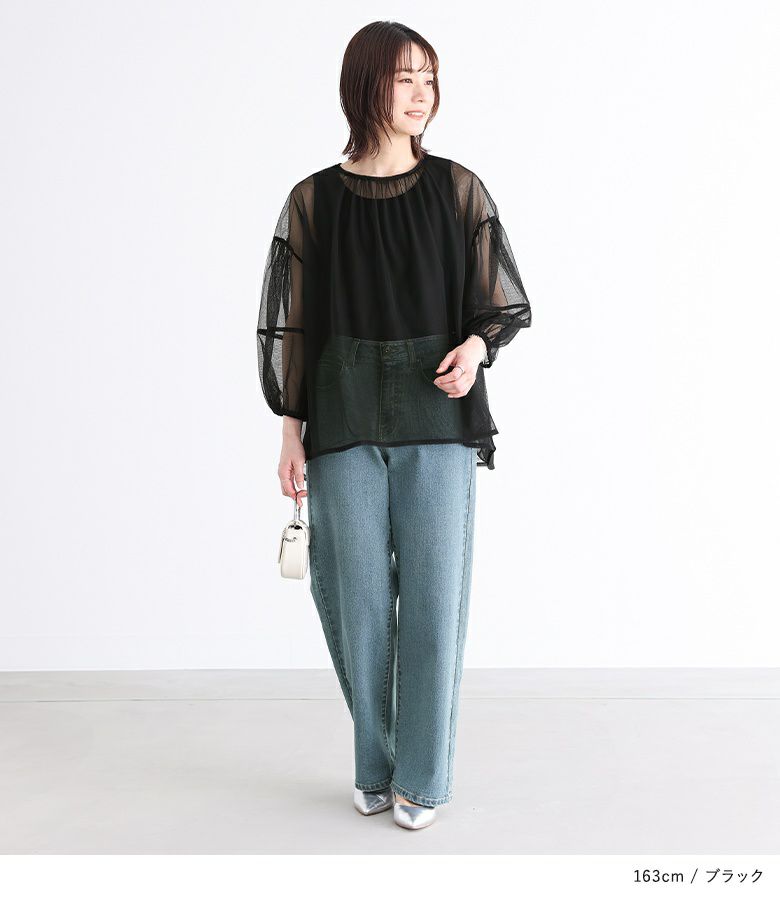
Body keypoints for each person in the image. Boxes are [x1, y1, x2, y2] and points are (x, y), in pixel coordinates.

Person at [256, 21, 532, 830]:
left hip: (436, 416)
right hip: (340, 412)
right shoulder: (313, 200)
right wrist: (289, 429)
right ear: (365, 85)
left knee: (436, 600)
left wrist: (475, 349)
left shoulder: (457, 189)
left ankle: (423, 777)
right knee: (358, 603)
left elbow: (502, 303)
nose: (422, 93)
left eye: (429, 78)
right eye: (405, 77)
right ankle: (374, 762)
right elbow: (293, 328)